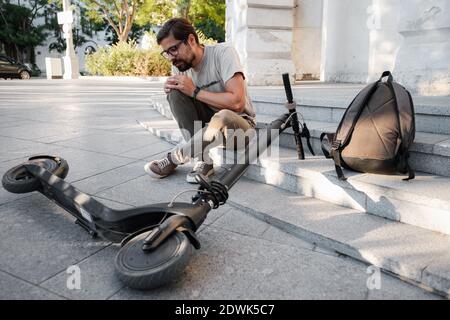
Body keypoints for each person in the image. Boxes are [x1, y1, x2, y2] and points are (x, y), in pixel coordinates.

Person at [144, 18, 256, 183]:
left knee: (223, 116)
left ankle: (175, 157)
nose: (171, 57)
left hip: (238, 128)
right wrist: (177, 90)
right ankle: (204, 160)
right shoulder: (179, 64)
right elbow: (184, 97)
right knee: (174, 93)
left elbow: (237, 102)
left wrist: (194, 91)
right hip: (206, 127)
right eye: (166, 52)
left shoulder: (223, 53)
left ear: (190, 40)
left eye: (173, 49)